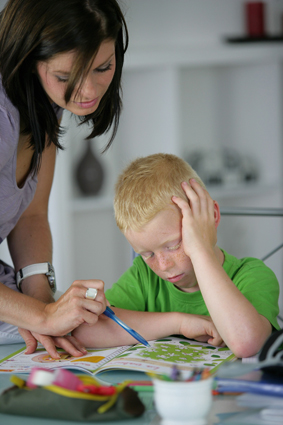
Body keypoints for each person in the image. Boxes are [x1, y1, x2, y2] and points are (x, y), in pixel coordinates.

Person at [0, 0, 128, 358]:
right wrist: (41, 313)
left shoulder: (43, 99)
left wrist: (40, 298)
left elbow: (31, 215)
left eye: (103, 67)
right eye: (65, 77)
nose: (88, 91)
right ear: (27, 59)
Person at [73, 153, 280, 358]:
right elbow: (84, 330)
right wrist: (178, 323)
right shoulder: (144, 276)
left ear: (211, 218)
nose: (163, 265)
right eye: (147, 254)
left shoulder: (252, 274)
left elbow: (246, 343)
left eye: (173, 245)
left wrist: (201, 250)